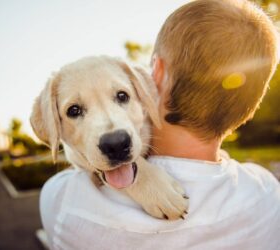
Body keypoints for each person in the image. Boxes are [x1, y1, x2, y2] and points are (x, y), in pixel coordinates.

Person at [40, 0, 280, 249]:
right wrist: (139, 174)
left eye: (122, 96)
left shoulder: (63, 202)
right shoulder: (267, 194)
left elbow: (76, 164)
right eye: (75, 110)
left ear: (156, 72)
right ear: (249, 106)